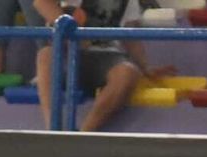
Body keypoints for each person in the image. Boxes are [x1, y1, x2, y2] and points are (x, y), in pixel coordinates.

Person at [32, 0, 175, 132]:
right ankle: (53, 128)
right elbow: (42, 2)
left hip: (107, 55)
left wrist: (145, 67)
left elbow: (130, 32)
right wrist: (71, 31)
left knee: (128, 72)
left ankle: (83, 134)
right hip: (68, 53)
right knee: (46, 55)